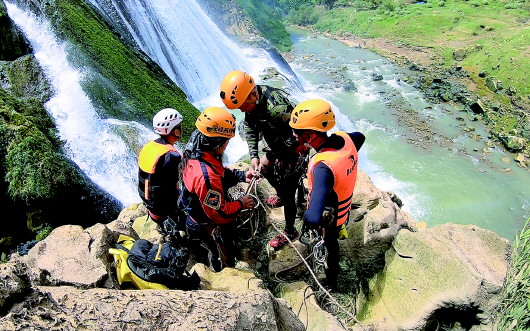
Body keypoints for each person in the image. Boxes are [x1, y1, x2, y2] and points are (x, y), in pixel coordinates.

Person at [220, 70, 308, 250]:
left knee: (289, 187)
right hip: (277, 145)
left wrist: (270, 156)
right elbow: (251, 127)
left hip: (294, 148)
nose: (242, 110)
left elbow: (297, 136)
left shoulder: (277, 109)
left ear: (252, 93)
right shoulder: (252, 102)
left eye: (244, 105)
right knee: (269, 173)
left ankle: (291, 230)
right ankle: (286, 195)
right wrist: (254, 155)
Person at [289, 99, 365, 292]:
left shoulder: (323, 167)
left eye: (297, 132)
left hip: (332, 215)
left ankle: (331, 282)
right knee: (332, 238)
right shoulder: (346, 139)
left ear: (308, 134)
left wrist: (307, 221)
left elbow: (314, 217)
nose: (294, 135)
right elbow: (361, 137)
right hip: (344, 203)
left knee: (330, 243)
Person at [180, 106, 257, 271]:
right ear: (219, 144)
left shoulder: (196, 149)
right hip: (206, 226)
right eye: (227, 142)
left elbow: (220, 173)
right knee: (221, 259)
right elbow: (219, 214)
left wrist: (241, 176)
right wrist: (241, 204)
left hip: (197, 215)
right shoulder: (205, 177)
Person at [138, 108, 184, 234]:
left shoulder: (150, 146)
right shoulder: (172, 156)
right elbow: (178, 185)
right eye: (180, 126)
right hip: (164, 211)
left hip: (150, 205)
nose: (182, 128)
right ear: (175, 131)